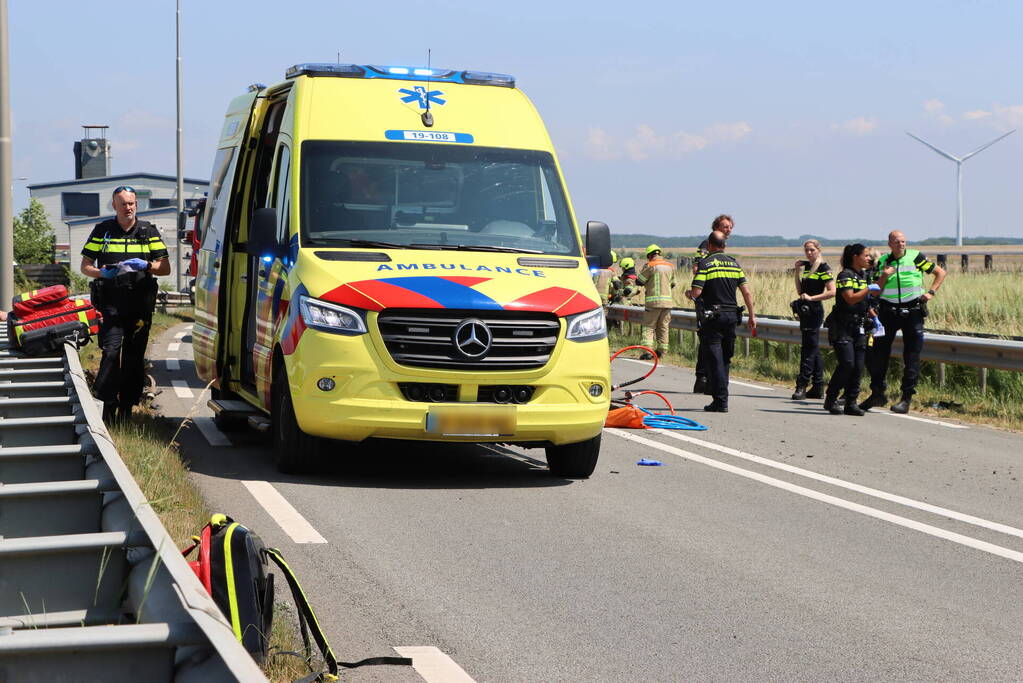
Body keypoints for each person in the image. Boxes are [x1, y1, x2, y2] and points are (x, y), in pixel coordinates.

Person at [80, 186, 170, 422]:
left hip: (139, 305)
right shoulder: (103, 231)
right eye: (123, 204)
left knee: (134, 357)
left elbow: (165, 268)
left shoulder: (148, 231)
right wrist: (101, 273)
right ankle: (106, 404)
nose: (128, 208)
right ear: (114, 206)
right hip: (110, 304)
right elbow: (85, 266)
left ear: (136, 205)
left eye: (131, 203)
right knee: (111, 353)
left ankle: (127, 408)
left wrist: (146, 265)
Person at [859, 230, 947, 414]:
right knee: (878, 354)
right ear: (890, 244)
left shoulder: (915, 257)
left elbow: (940, 273)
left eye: (903, 241)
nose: (901, 244)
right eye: (897, 242)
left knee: (911, 356)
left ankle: (906, 399)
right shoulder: (883, 261)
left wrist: (931, 293)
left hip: (912, 311)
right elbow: (875, 290)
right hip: (888, 312)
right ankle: (878, 393)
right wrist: (884, 275)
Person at [686, 230, 756, 412]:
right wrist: (752, 315)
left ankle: (720, 401)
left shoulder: (705, 263)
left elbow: (696, 293)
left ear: (709, 245)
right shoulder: (734, 263)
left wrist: (688, 293)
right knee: (725, 359)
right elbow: (747, 292)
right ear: (724, 245)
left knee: (715, 359)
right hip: (732, 316)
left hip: (713, 318)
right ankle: (721, 396)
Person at [823, 243, 876, 416]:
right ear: (855, 257)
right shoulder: (845, 275)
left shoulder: (864, 275)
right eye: (866, 255)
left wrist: (875, 318)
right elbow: (850, 298)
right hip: (842, 326)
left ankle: (851, 403)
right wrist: (868, 289)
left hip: (859, 326)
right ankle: (831, 399)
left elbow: (865, 302)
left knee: (858, 367)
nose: (868, 258)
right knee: (847, 363)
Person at [693, 214, 734, 394]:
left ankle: (713, 380)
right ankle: (702, 377)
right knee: (706, 341)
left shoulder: (723, 249)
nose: (728, 229)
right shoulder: (706, 245)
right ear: (716, 227)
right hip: (706, 299)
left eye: (730, 227)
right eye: (725, 226)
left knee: (717, 344)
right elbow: (697, 267)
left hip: (722, 303)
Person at [791, 239, 835, 400]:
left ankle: (802, 385)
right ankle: (818, 386)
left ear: (818, 250)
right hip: (805, 311)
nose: (809, 253)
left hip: (815, 311)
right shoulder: (808, 267)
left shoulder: (823, 267)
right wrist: (797, 271)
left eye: (812, 250)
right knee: (813, 348)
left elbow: (832, 291)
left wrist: (812, 298)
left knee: (808, 350)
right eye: (807, 250)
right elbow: (800, 291)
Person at [636, 244, 676, 359]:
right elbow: (673, 283)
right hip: (667, 303)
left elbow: (639, 281)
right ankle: (662, 352)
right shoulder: (670, 266)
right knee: (663, 327)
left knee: (648, 327)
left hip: (653, 303)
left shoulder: (650, 265)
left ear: (649, 255)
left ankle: (647, 351)